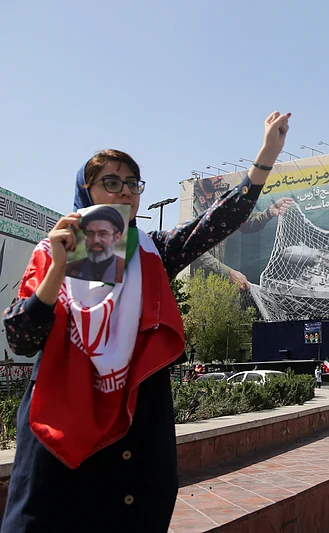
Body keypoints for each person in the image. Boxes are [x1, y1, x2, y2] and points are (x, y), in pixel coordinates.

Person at [1, 111, 291, 532]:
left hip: (138, 419)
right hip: (61, 420)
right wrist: (59, 270)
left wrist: (265, 157)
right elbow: (22, 338)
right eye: (110, 182)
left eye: (132, 184)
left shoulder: (154, 250)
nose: (124, 193)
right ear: (86, 190)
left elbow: (215, 223)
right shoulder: (53, 250)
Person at [192, 176, 293, 290]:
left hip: (217, 282)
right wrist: (228, 272)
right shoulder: (191, 202)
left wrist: (269, 212)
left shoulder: (223, 196)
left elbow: (246, 222)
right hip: (194, 283)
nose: (221, 178)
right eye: (216, 175)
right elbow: (196, 252)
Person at [64, 205, 127, 284]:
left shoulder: (127, 271)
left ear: (117, 237)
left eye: (103, 234)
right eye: (90, 233)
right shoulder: (70, 269)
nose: (95, 240)